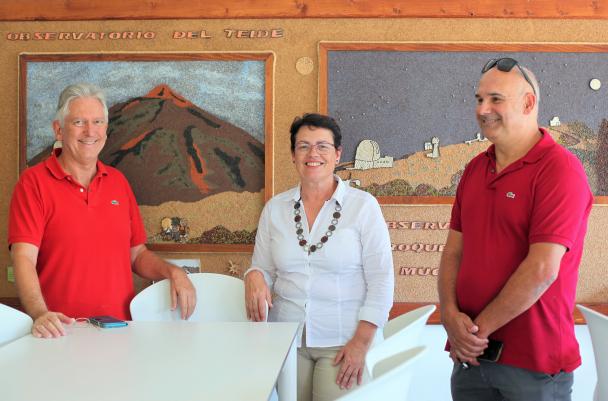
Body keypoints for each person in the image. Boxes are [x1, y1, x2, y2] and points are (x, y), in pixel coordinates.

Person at [438, 58, 593, 401]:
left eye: (495, 99)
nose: (483, 109)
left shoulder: (560, 170)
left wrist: (475, 334)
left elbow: (541, 270)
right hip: (471, 361)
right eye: (479, 99)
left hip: (533, 364)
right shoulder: (475, 169)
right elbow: (453, 252)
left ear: (527, 103)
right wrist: (449, 316)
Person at [8, 83, 196, 339]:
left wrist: (172, 272)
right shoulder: (33, 183)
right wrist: (41, 314)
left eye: (97, 121)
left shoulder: (118, 183)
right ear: (58, 130)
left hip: (118, 332)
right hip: (59, 333)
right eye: (78, 122)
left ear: (106, 130)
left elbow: (137, 254)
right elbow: (23, 258)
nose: (90, 131)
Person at [244, 113, 394, 401]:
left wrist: (361, 343)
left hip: (344, 342)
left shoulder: (363, 207)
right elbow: (262, 268)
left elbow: (382, 280)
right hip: (287, 341)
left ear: (337, 154)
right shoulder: (275, 209)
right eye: (303, 146)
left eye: (322, 146)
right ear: (292, 155)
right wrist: (252, 276)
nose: (313, 154)